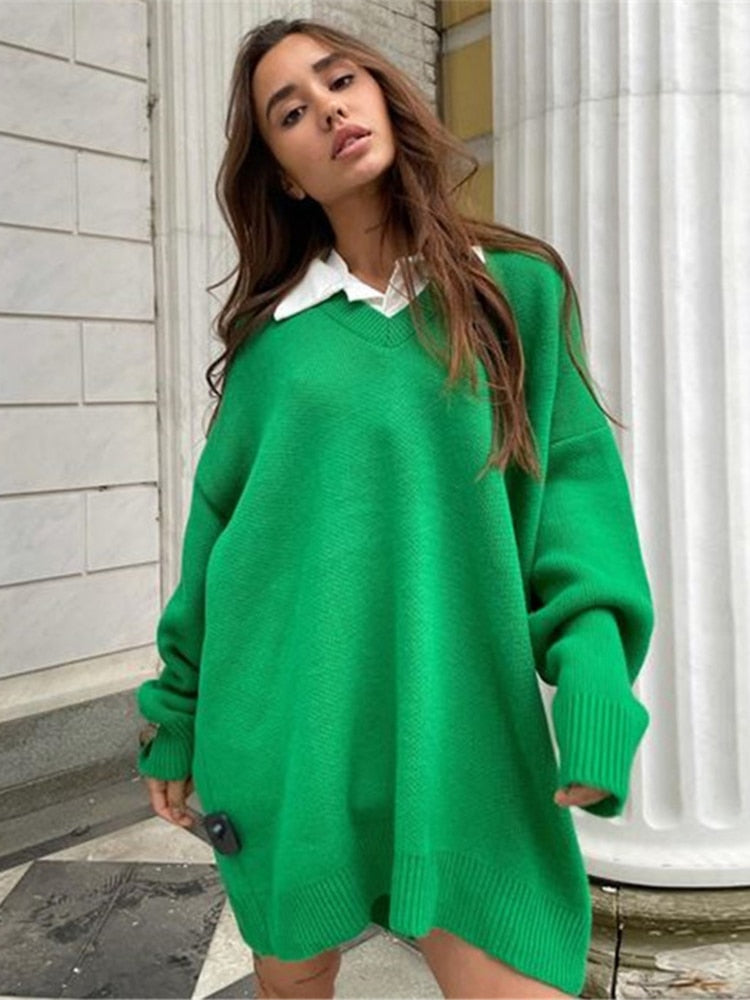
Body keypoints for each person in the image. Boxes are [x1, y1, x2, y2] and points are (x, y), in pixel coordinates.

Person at [135, 16, 655, 1000]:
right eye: (291, 111)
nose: (327, 109)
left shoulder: (514, 294)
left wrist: (594, 684)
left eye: (340, 81)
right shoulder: (272, 350)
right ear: (286, 176)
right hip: (286, 732)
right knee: (294, 979)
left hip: (461, 734)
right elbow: (216, 550)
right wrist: (175, 716)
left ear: (382, 94)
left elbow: (577, 514)